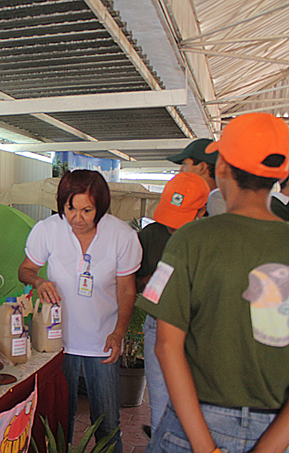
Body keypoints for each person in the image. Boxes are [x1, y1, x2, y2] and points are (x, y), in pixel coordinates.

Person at [137, 112, 289, 453]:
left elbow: (166, 345)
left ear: (221, 167)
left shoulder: (192, 239)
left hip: (195, 427)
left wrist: (206, 448)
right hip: (279, 430)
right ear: (280, 173)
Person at [18, 170, 142, 453]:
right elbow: (25, 270)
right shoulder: (48, 229)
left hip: (102, 341)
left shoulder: (122, 236)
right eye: (70, 208)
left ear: (101, 207)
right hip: (57, 341)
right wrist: (39, 281)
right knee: (61, 420)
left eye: (87, 210)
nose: (77, 217)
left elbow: (127, 290)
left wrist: (119, 332)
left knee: (108, 422)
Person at [135, 172, 210, 435]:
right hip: (159, 322)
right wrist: (153, 279)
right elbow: (132, 283)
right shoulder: (151, 235)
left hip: (202, 328)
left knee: (198, 410)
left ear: (203, 211)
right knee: (161, 408)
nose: (173, 228)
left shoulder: (214, 237)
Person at [167, 138, 225, 216]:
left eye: (185, 164)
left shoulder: (217, 203)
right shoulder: (226, 199)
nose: (180, 171)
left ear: (202, 167)